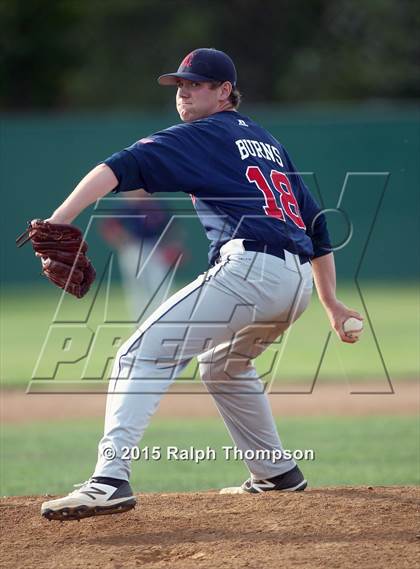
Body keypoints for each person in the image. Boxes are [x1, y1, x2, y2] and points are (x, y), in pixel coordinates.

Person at [41, 48, 362, 521]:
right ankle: (276, 474)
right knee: (222, 367)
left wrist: (57, 221)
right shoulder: (267, 142)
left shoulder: (204, 133)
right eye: (179, 85)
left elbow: (117, 167)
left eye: (195, 84)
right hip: (293, 284)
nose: (183, 92)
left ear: (225, 92)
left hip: (251, 268)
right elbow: (315, 225)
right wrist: (330, 301)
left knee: (140, 354)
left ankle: (109, 479)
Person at [98, 189, 185, 322]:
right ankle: (141, 323)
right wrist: (124, 242)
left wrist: (172, 245)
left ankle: (166, 319)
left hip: (156, 246)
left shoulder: (158, 205)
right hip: (134, 247)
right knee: (138, 289)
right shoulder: (126, 207)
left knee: (160, 284)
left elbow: (173, 227)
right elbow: (110, 228)